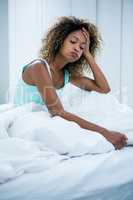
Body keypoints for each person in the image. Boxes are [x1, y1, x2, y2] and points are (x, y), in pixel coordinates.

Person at [14, 16, 127, 150]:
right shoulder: (38, 67)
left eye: (81, 47)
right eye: (73, 41)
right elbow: (57, 111)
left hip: (45, 119)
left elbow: (104, 89)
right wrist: (105, 133)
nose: (77, 48)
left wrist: (88, 55)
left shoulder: (67, 75)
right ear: (60, 40)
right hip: (25, 122)